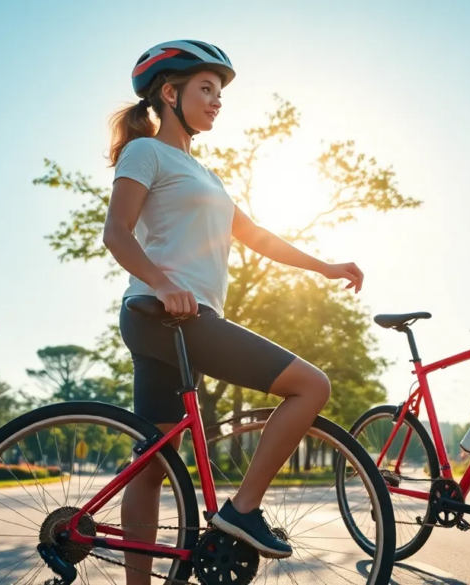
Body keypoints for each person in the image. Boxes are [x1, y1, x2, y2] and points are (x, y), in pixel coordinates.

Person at [101, 40, 364, 579]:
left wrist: (324, 267)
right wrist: (162, 281)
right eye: (206, 89)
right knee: (310, 386)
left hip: (179, 322)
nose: (217, 100)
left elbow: (258, 237)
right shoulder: (145, 152)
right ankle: (242, 511)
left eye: (219, 93)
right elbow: (116, 233)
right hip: (165, 314)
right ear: (169, 93)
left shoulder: (206, 174)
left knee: (153, 466)